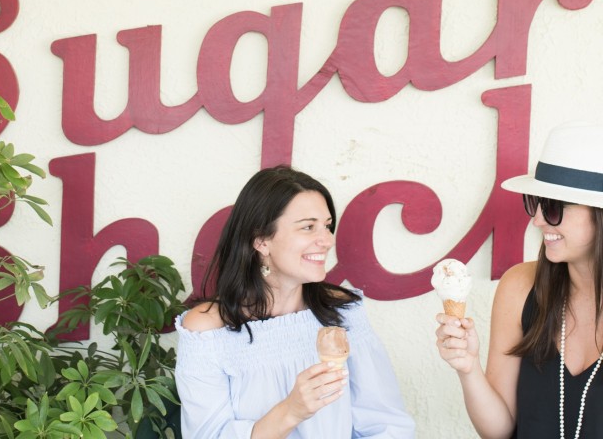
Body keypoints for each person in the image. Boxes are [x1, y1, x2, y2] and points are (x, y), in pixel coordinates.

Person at [175, 165, 415, 438]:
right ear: (262, 240)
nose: (326, 240)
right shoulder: (207, 331)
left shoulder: (342, 313)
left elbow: (385, 424)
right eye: (308, 227)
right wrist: (292, 410)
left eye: (326, 226)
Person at [435, 121, 603, 438]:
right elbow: (499, 430)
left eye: (553, 207)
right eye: (535, 202)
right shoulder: (520, 286)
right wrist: (468, 368)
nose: (538, 219)